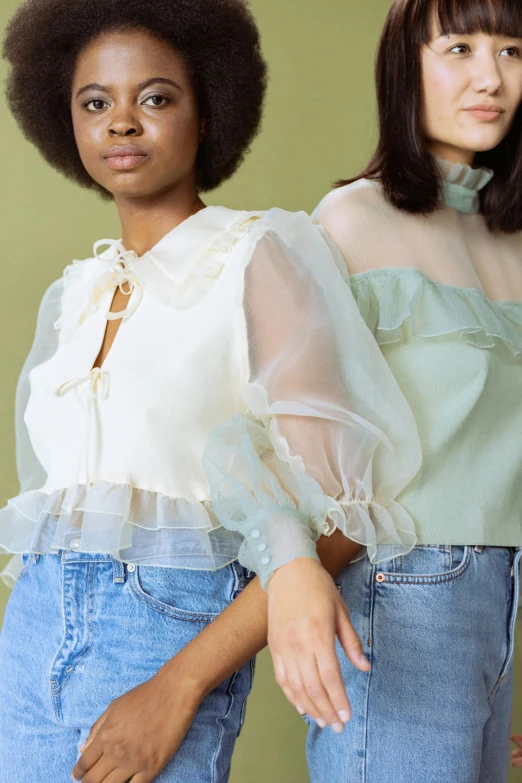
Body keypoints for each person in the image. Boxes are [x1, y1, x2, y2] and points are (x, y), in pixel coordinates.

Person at [0, 0, 420, 780]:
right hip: (30, 640)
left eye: (154, 97)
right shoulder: (76, 291)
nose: (122, 122)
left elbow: (349, 515)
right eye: (96, 103)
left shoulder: (256, 256)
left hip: (163, 635)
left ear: (209, 110)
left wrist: (179, 683)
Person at [258, 0, 521, 780]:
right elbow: (277, 431)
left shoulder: (512, 237)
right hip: (400, 590)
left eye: (513, 50)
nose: (492, 77)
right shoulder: (350, 221)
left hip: (498, 605)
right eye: (461, 47)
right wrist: (288, 567)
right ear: (407, 63)